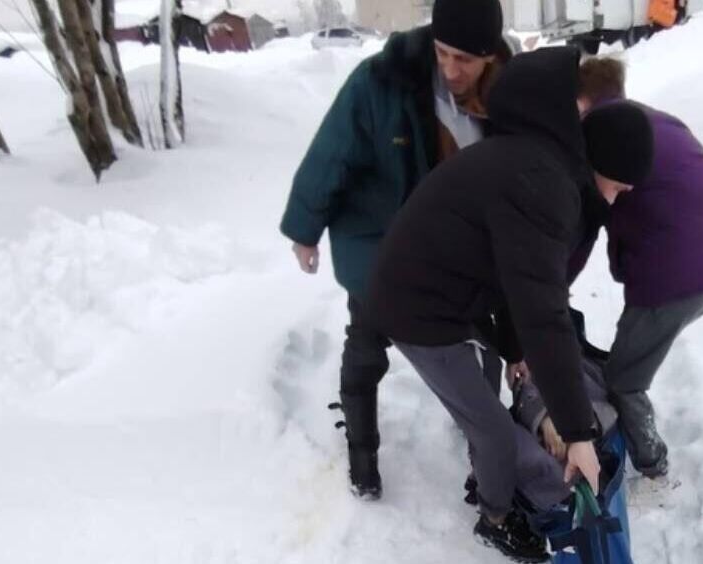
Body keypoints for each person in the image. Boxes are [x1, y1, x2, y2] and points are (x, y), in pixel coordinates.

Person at [364, 48, 654, 562]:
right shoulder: (543, 185)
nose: (619, 197)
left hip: (449, 288)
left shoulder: (536, 163)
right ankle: (495, 517)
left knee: (494, 386)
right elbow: (543, 312)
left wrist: (515, 346)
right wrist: (577, 432)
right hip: (416, 309)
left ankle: (492, 458)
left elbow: (515, 280)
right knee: (494, 432)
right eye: (620, 186)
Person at [279, 0, 511, 500]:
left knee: (479, 347)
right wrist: (305, 228)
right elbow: (332, 153)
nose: (451, 69)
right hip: (378, 241)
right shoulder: (382, 81)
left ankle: (483, 448)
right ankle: (362, 457)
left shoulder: (506, 92)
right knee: (366, 348)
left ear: (489, 55)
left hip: (453, 252)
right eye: (443, 54)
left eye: (465, 60)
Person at [572, 57, 703, 479]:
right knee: (629, 360)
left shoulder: (602, 144)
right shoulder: (653, 122)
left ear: (581, 101)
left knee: (625, 379)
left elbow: (589, 223)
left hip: (677, 278)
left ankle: (654, 470)